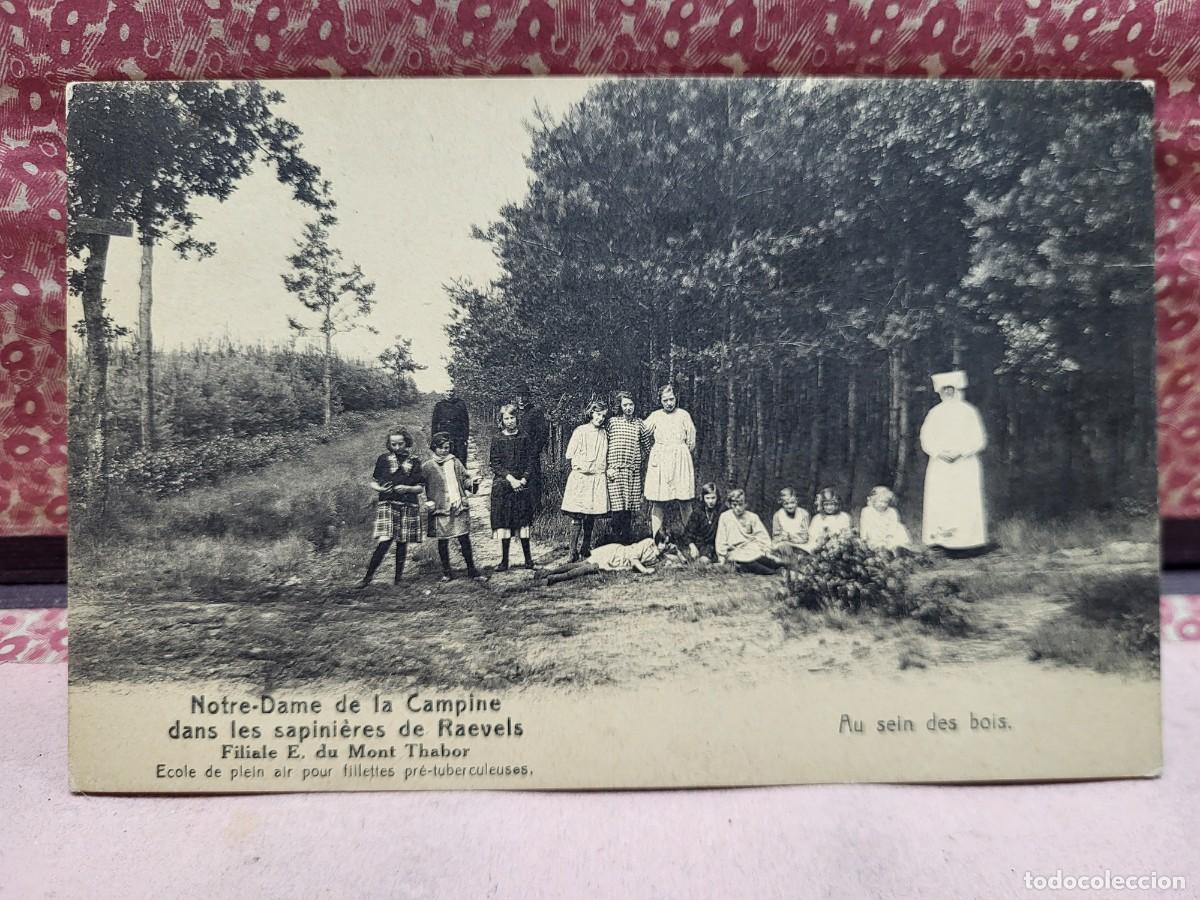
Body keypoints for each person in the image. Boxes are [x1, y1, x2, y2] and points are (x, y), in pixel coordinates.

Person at [919, 370, 988, 550]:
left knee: (963, 500)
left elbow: (979, 439)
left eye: (951, 389)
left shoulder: (969, 412)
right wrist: (938, 452)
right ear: (940, 392)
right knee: (941, 499)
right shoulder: (934, 413)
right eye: (945, 389)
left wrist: (961, 452)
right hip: (941, 464)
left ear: (957, 390)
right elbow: (926, 438)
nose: (948, 392)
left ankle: (967, 542)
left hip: (965, 464)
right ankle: (940, 541)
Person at [358, 428, 430, 588]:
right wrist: (380, 489)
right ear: (389, 444)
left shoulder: (414, 461)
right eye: (393, 444)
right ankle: (367, 578)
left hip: (407, 504)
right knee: (384, 540)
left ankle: (398, 579)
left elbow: (420, 487)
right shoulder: (383, 459)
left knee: (402, 542)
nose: (397, 447)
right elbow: (374, 482)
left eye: (400, 444)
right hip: (388, 504)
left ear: (407, 442)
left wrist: (407, 488)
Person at [422, 432, 486, 582]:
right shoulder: (427, 466)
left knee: (464, 538)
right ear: (434, 448)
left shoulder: (455, 462)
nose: (444, 451)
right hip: (440, 508)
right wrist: (427, 501)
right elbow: (420, 485)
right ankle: (446, 571)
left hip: (457, 507)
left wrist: (473, 483)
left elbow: (465, 481)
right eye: (441, 448)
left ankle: (471, 569)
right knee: (443, 540)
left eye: (447, 447)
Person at [644, 383, 697, 537]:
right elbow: (642, 432)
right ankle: (656, 538)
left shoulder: (683, 415)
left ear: (676, 398)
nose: (669, 403)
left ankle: (690, 538)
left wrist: (678, 451)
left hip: (680, 460)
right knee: (658, 501)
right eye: (665, 400)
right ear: (660, 401)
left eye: (671, 399)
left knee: (685, 500)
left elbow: (691, 441)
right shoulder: (655, 416)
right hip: (660, 460)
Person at [561, 400, 610, 561]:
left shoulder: (604, 434)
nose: (600, 418)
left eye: (603, 416)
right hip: (581, 478)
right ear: (591, 413)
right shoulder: (580, 431)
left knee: (590, 514)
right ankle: (572, 551)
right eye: (598, 414)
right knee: (577, 516)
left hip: (596, 478)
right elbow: (570, 454)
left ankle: (585, 547)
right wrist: (583, 464)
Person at [489, 403, 535, 571]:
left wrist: (523, 480)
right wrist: (510, 479)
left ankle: (528, 560)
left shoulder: (525, 437)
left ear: (517, 418)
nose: (509, 421)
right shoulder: (497, 439)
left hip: (522, 485)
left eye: (512, 418)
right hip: (504, 485)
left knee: (523, 522)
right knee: (505, 522)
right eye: (506, 418)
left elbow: (530, 461)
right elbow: (495, 464)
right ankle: (504, 561)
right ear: (502, 420)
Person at [541, 530, 672, 586]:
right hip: (616, 554)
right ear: (657, 541)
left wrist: (677, 554)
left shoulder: (659, 554)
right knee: (584, 565)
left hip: (618, 560)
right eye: (664, 543)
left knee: (587, 568)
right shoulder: (648, 543)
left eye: (667, 543)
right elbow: (634, 560)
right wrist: (645, 571)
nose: (666, 546)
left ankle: (553, 578)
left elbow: (671, 559)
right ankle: (550, 574)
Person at [606, 390, 651, 544]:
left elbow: (647, 447)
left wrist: (638, 461)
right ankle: (615, 543)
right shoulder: (612, 422)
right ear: (620, 406)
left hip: (632, 472)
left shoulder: (639, 424)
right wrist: (608, 467)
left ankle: (626, 543)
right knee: (617, 509)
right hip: (614, 471)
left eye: (631, 404)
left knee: (628, 510)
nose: (628, 408)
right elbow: (604, 444)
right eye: (625, 405)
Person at [715, 489, 782, 575]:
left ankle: (780, 566)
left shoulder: (753, 517)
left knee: (766, 560)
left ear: (745, 504)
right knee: (752, 564)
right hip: (735, 550)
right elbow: (721, 538)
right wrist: (722, 556)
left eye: (740, 505)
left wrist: (766, 550)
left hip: (752, 548)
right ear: (730, 505)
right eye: (734, 505)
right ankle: (770, 572)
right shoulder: (725, 517)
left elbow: (762, 536)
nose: (738, 508)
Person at [514, 382, 550, 513]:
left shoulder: (535, 412)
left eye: (524, 396)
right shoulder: (514, 413)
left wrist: (535, 451)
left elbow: (543, 434)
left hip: (531, 454)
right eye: (518, 396)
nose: (521, 399)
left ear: (528, 397)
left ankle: (536, 512)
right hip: (516, 454)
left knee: (533, 481)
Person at [859, 485, 912, 552]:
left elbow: (893, 525)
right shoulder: (867, 511)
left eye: (886, 502)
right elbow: (864, 525)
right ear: (874, 501)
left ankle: (897, 547)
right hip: (875, 534)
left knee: (900, 527)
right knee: (873, 533)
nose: (883, 505)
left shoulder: (892, 511)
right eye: (880, 501)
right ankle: (880, 547)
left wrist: (889, 536)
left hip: (888, 535)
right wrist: (863, 539)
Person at [682, 482, 722, 563]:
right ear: (703, 498)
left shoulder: (720, 511)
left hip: (715, 544)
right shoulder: (698, 512)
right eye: (707, 498)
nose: (710, 501)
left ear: (717, 497)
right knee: (701, 559)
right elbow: (688, 533)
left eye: (713, 498)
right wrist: (692, 546)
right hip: (700, 544)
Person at [431, 384, 470, 465]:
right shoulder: (439, 405)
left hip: (458, 436)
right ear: (444, 393)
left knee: (461, 458)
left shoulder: (460, 404)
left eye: (451, 391)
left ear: (454, 392)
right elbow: (434, 423)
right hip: (445, 436)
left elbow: (466, 422)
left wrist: (465, 438)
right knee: (445, 459)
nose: (449, 393)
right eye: (447, 391)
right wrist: (434, 439)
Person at [771, 487, 811, 557]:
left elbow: (806, 536)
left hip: (801, 544)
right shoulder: (777, 515)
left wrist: (792, 538)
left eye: (792, 503)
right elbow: (776, 536)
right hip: (784, 543)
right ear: (782, 504)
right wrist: (783, 538)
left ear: (797, 501)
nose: (790, 506)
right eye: (786, 503)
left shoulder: (804, 514)